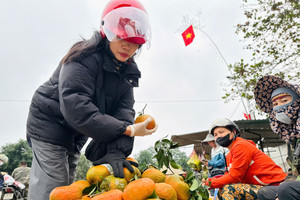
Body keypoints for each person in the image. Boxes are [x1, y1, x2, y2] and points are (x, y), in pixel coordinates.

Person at [26, 0, 157, 199]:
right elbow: (76, 105)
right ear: (108, 32)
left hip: (77, 133)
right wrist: (128, 130)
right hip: (49, 124)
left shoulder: (126, 73)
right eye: (122, 37)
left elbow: (124, 113)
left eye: (134, 42)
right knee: (53, 187)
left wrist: (116, 151)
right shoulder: (84, 57)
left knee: (69, 189)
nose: (127, 46)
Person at [202, 118, 286, 200]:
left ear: (233, 132)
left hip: (274, 186)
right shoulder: (229, 155)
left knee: (230, 189)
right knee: (221, 191)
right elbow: (227, 176)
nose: (218, 137)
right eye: (215, 135)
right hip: (260, 188)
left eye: (221, 132)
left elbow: (234, 177)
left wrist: (210, 183)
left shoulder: (241, 146)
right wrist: (209, 181)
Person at [254, 75, 300, 200]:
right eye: (275, 104)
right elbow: (293, 172)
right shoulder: (292, 139)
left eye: (285, 101)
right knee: (264, 192)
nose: (280, 107)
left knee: (287, 189)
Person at [202, 133, 229, 198]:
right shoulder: (212, 150)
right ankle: (212, 196)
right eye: (208, 143)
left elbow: (222, 162)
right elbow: (213, 163)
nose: (209, 144)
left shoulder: (222, 148)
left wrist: (211, 163)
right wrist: (208, 164)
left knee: (212, 181)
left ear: (214, 141)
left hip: (222, 170)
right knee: (206, 179)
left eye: (210, 143)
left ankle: (216, 195)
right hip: (215, 170)